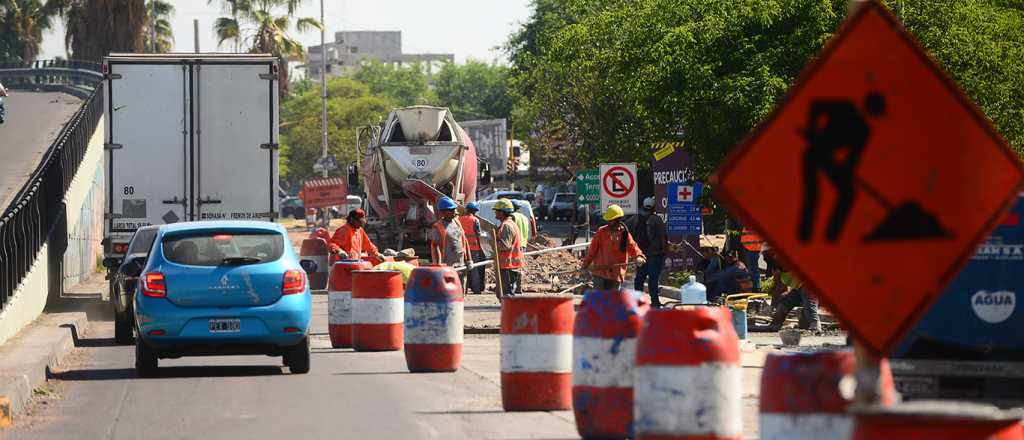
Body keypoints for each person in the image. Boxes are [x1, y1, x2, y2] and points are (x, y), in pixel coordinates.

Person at [582, 204, 646, 290]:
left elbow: (633, 247)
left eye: (611, 220)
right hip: (600, 273)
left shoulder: (624, 234)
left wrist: (639, 256)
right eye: (608, 220)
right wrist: (585, 265)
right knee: (599, 300)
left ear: (618, 219)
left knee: (613, 300)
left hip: (616, 274)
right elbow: (592, 251)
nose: (609, 222)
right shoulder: (601, 232)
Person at [763, 247, 821, 332]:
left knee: (809, 306)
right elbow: (779, 289)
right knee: (785, 302)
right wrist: (774, 306)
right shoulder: (776, 267)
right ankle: (775, 324)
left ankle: (815, 327)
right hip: (798, 288)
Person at [630, 197, 668, 307]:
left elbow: (627, 232)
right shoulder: (656, 219)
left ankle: (638, 301)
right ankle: (655, 301)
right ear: (654, 207)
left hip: (641, 255)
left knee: (639, 278)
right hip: (655, 255)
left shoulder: (636, 219)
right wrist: (664, 252)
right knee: (653, 279)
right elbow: (663, 237)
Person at [430, 197, 472, 270]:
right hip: (448, 267)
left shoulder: (457, 222)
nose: (454, 211)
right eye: (451, 210)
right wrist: (438, 266)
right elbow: (435, 247)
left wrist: (469, 260)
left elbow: (464, 241)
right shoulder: (438, 227)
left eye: (454, 209)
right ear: (442, 212)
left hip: (461, 265)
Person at [493, 198, 524, 297]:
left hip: (507, 264)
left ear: (502, 212)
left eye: (497, 211)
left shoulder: (506, 225)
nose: (495, 213)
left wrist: (492, 241)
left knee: (507, 295)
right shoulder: (511, 224)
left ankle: (510, 311)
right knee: (508, 294)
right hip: (510, 264)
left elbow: (505, 246)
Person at [459, 201, 486, 295]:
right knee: (474, 269)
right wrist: (481, 248)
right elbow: (478, 235)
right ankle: (476, 289)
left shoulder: (459, 219)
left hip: (462, 247)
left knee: (462, 269)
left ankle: (463, 290)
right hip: (474, 248)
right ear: (474, 211)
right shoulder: (475, 220)